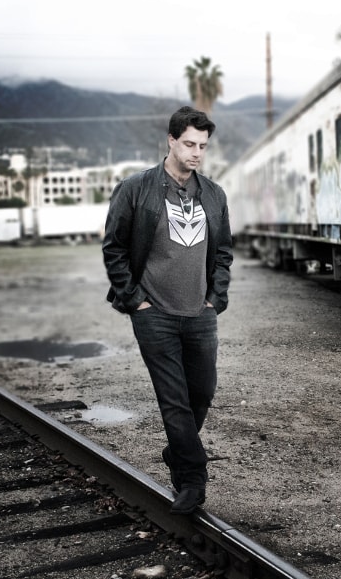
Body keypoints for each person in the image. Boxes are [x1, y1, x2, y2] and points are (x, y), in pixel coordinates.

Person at [102, 106, 233, 514]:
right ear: (171, 141)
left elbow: (224, 252)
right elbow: (115, 248)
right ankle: (192, 479)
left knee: (202, 393)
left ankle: (178, 450)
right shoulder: (136, 189)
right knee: (173, 400)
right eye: (190, 144)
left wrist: (216, 299)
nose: (196, 153)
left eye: (203, 146)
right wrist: (135, 301)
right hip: (153, 313)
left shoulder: (213, 194)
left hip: (199, 313)